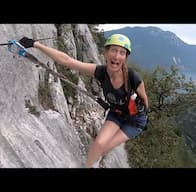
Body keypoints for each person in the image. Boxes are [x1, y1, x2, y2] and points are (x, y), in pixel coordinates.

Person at [19, 33, 149, 168]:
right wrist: (35, 44)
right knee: (98, 145)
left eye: (122, 53)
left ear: (126, 58)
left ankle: (96, 162)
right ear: (106, 52)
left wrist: (144, 117)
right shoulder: (101, 72)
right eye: (114, 50)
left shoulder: (133, 77)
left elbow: (144, 100)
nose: (117, 56)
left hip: (135, 121)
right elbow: (67, 61)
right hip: (117, 114)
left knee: (104, 149)